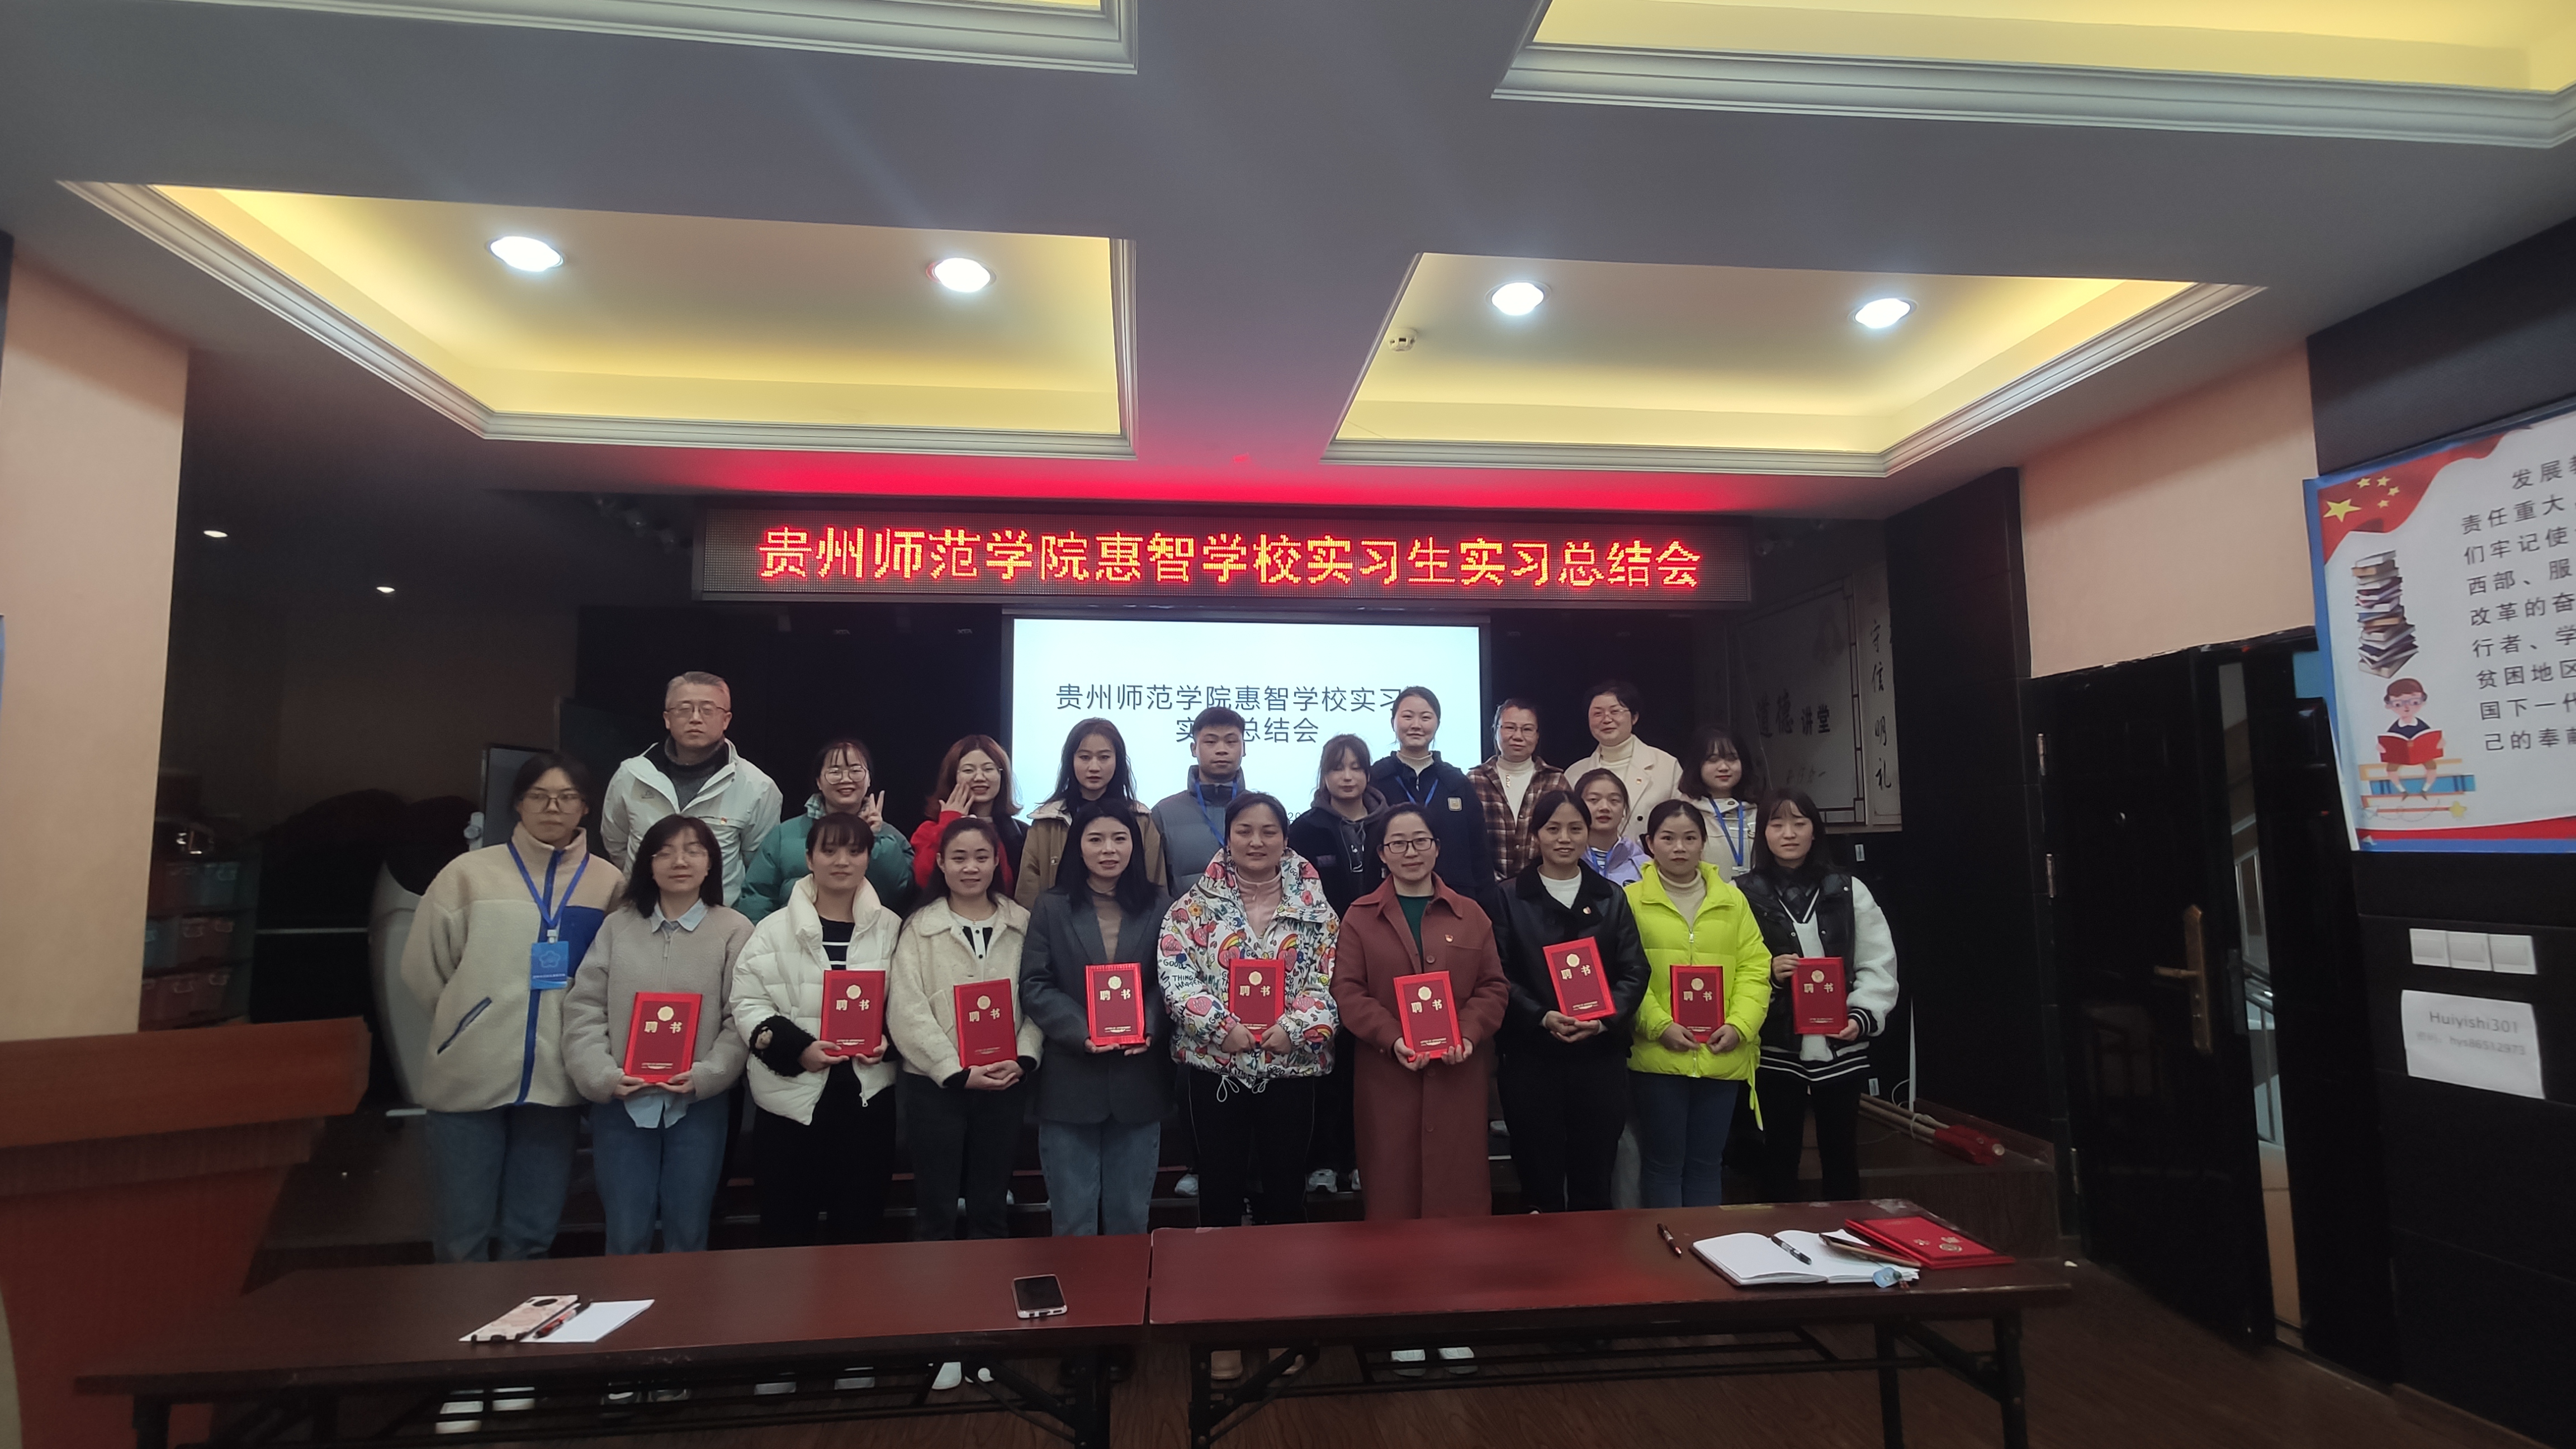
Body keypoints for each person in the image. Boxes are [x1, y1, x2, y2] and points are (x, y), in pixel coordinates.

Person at [401, 752, 623, 1263]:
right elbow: (423, 969)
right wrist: (468, 1021)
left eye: (566, 797)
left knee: (532, 1235)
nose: (553, 807)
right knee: (462, 1235)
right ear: (518, 804)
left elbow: (613, 978)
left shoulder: (608, 884)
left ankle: (518, 1316)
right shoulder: (467, 875)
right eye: (539, 796)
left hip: (556, 1080)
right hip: (469, 1077)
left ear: (585, 808)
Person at [561, 815, 751, 1254]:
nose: (679, 861)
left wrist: (708, 1075)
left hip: (697, 1105)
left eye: (693, 851)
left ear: (711, 863)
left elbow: (739, 1018)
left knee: (689, 1232)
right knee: (626, 1234)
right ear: (647, 863)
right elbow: (584, 1007)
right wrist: (602, 1076)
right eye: (664, 852)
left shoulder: (735, 930)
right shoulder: (617, 927)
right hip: (622, 1102)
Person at [1157, 792, 1338, 1229]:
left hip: (1290, 1065)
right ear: (1228, 837)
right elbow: (1176, 976)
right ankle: (1220, 1274)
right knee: (1219, 1193)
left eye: (1268, 832)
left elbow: (1329, 979)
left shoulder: (1317, 910)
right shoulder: (1191, 908)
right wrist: (1221, 1028)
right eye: (1245, 831)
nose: (1256, 841)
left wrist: (1295, 1028)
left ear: (1285, 839)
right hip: (1215, 1067)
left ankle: (1285, 1272)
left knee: (1285, 1193)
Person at [733, 812, 905, 1247]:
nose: (842, 860)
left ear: (868, 858)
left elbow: (911, 1000)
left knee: (860, 1230)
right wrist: (798, 1050)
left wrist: (888, 1042)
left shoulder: (891, 928)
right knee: (787, 1232)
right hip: (790, 1101)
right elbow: (748, 1002)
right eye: (829, 850)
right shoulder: (772, 930)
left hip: (866, 1098)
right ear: (809, 859)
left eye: (854, 850)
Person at [1330, 803, 1508, 1220]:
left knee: (1460, 1203)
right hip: (1388, 1079)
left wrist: (1466, 1033)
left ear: (1437, 847)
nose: (1411, 852)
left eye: (1420, 841)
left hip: (1458, 1076)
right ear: (1382, 853)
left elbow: (1493, 987)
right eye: (1398, 843)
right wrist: (1392, 1037)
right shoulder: (1360, 918)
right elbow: (1348, 990)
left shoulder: (1470, 915)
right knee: (1392, 1199)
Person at [1484, 789, 1651, 1214]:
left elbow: (1635, 970)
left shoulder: (1611, 896)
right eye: (1553, 829)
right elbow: (1498, 973)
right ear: (1535, 835)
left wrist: (1604, 1019)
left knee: (1594, 1177)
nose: (1564, 838)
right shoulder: (1507, 897)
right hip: (1531, 1055)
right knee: (1538, 1177)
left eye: (1575, 828)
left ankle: (1593, 1256)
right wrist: (1542, 1017)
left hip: (1599, 1055)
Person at [1017, 799, 1174, 1235]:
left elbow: (1173, 980)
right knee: (1073, 1223)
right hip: (1070, 1083)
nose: (1109, 849)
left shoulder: (1161, 905)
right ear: (1078, 846)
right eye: (1096, 839)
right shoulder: (1051, 907)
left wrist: (1150, 1023)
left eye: (1120, 839)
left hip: (1138, 1081)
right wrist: (1081, 1030)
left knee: (1131, 1220)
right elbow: (1035, 983)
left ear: (1135, 846)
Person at [1736, 789, 1898, 1203]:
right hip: (1775, 1046)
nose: (1789, 834)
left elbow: (1878, 962)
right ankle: (1782, 1239)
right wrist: (1770, 974)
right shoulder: (1741, 893)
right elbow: (1731, 968)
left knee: (1841, 1157)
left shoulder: (1848, 889)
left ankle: (1846, 1235)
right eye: (1777, 824)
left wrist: (1862, 1016)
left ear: (1815, 831)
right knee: (1778, 1159)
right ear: (1763, 833)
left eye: (1799, 823)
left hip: (1841, 1043)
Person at [887, 815, 1039, 1241]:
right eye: (959, 858)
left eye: (981, 857)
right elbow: (907, 1009)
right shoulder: (918, 927)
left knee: (990, 1209)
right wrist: (952, 1070)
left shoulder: (1022, 924)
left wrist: (1024, 1056)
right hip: (935, 1087)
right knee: (935, 1210)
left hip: (1005, 1081)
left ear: (997, 862)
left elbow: (1037, 997)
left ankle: (990, 1284)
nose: (970, 867)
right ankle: (935, 1285)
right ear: (941, 863)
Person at [1625, 799, 1772, 1208]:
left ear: (1703, 844)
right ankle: (1666, 1247)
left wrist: (1740, 1026)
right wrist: (1659, 1026)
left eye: (1690, 838)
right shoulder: (1630, 901)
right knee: (1663, 1165)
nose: (1680, 848)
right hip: (1658, 1057)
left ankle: (1704, 1247)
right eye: (1668, 838)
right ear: (1650, 843)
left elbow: (1755, 967)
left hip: (1722, 1053)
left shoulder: (1732, 900)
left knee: (1708, 1165)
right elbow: (1625, 974)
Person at [1285, 733, 1385, 1195]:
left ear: (1368, 773)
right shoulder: (1305, 829)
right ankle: (1323, 1160)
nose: (1347, 777)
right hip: (1321, 961)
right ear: (1324, 775)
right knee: (1326, 1060)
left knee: (1370, 1065)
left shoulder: (1390, 823)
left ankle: (1361, 1158)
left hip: (1381, 957)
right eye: (1337, 768)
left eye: (1356, 767)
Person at [600, 671, 783, 907]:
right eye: (684, 709)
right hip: (642, 913)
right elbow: (617, 845)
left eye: (707, 710)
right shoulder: (630, 775)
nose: (695, 718)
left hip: (718, 916)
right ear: (667, 719)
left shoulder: (757, 786)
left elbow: (758, 866)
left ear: (726, 720)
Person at [738, 736, 913, 921]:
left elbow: (901, 894)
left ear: (869, 779)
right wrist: (765, 935)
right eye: (835, 772)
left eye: (855, 771)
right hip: (792, 934)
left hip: (868, 934)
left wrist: (875, 840)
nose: (846, 779)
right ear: (819, 781)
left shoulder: (890, 837)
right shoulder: (784, 835)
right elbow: (758, 895)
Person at [1016, 718, 1167, 911]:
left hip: (1132, 922)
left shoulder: (1140, 820)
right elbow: (1028, 897)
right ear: (1070, 761)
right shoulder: (1047, 822)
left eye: (1104, 757)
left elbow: (1156, 886)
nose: (1094, 767)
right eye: (1085, 757)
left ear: (1118, 761)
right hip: (1061, 926)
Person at [1368, 686, 1493, 899]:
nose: (1416, 725)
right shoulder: (1376, 780)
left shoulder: (1456, 782)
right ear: (1393, 722)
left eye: (1426, 717)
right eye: (1408, 717)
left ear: (1437, 724)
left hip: (1454, 898)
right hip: (1392, 898)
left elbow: (1480, 855)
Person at [907, 735, 1028, 899]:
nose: (979, 778)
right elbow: (924, 879)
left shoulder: (1021, 834)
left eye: (988, 769)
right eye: (968, 770)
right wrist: (949, 822)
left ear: (1003, 776)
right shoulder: (929, 829)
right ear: (953, 777)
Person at [1467, 698, 1569, 885]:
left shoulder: (1555, 781)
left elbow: (1566, 837)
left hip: (1543, 888)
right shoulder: (1475, 780)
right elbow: (1466, 841)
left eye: (1527, 729)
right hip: (1487, 888)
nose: (1518, 736)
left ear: (1537, 736)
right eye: (1510, 728)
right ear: (1495, 731)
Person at [1564, 679, 1681, 837]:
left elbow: (1684, 821)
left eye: (1615, 712)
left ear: (1634, 717)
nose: (1606, 720)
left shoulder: (1666, 766)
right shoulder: (1574, 773)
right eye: (1597, 713)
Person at [1150, 707, 1248, 891]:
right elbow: (1155, 886)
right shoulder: (1164, 813)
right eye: (1211, 742)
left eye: (1231, 742)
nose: (1221, 750)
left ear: (1244, 748)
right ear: (1194, 749)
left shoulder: (1263, 811)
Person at [1678, 726, 1757, 880]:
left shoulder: (1759, 812)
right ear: (1696, 765)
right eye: (1712, 760)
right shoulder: (1683, 815)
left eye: (1732, 759)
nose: (1724, 767)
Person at [1573, 768, 1647, 886]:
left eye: (1614, 800)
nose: (1605, 807)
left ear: (1624, 809)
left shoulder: (1644, 866)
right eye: (1594, 800)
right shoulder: (1565, 860)